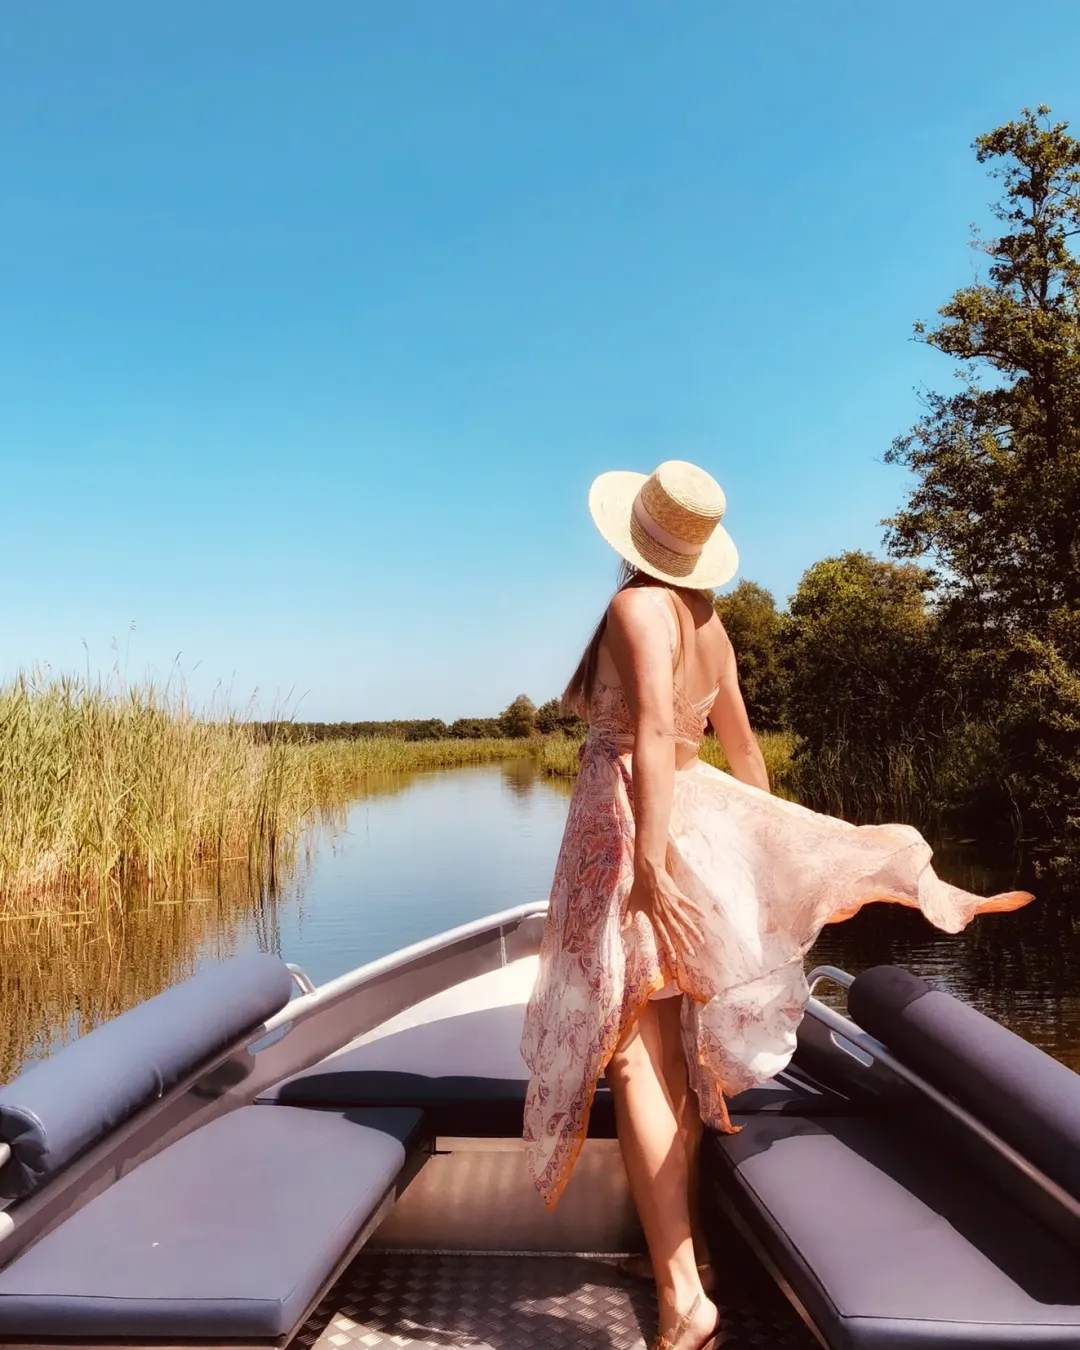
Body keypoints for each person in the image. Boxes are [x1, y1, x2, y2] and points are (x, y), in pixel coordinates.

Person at [520, 459, 1033, 1350]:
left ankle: (685, 1298)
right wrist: (771, 862)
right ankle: (691, 1260)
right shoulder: (707, 622)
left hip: (628, 841)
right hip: (679, 835)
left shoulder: (636, 608)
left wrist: (648, 868)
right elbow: (745, 757)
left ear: (634, 538)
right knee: (670, 1057)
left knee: (638, 1061)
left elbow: (645, 732)